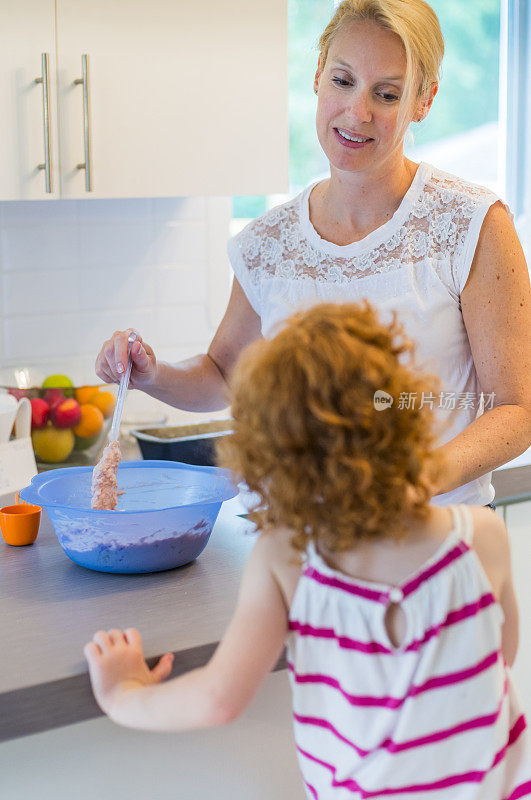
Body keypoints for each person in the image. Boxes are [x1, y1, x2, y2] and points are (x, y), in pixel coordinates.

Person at [95, 0, 531, 508]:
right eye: (343, 81)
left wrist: (407, 484)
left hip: (439, 545)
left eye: (386, 94)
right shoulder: (269, 243)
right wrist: (152, 375)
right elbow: (225, 377)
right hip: (305, 549)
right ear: (319, 75)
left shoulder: (471, 223)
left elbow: (517, 409)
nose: (357, 112)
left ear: (423, 101)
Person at [85, 301, 530, 799]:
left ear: (269, 457)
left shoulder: (286, 558)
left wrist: (124, 695)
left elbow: (217, 700)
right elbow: (502, 653)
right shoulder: (480, 537)